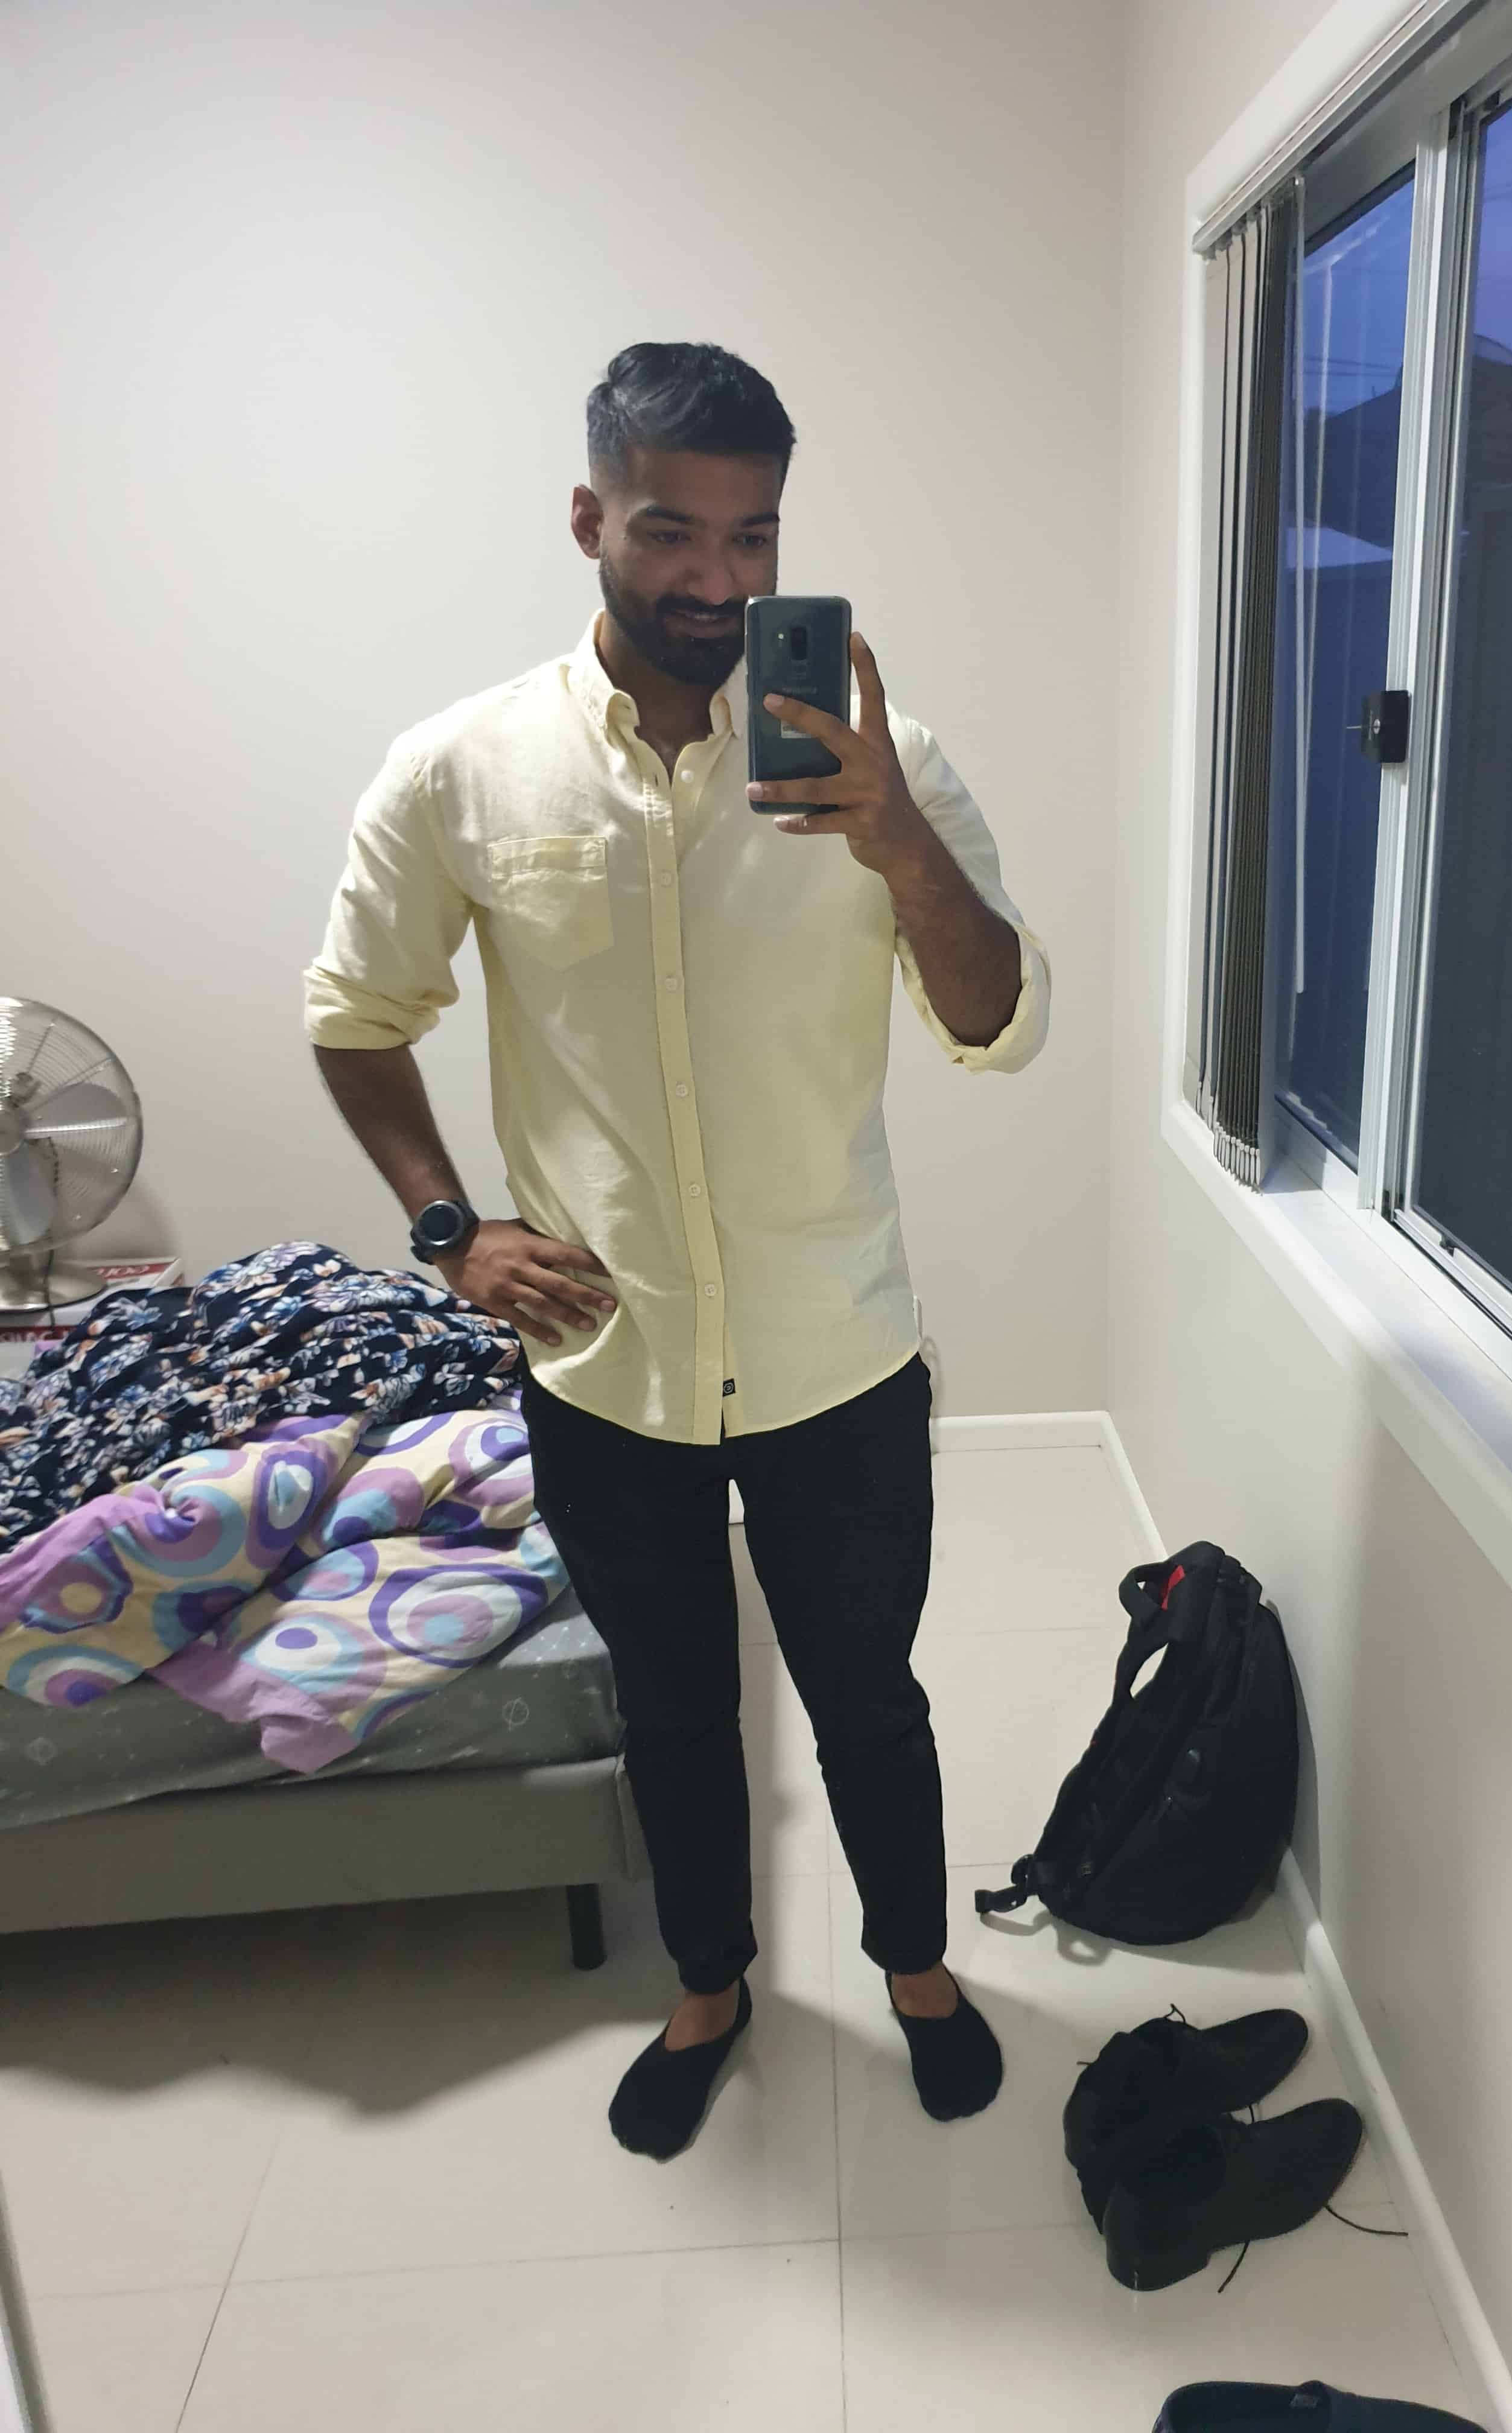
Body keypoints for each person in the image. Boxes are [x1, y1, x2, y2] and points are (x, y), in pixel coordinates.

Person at [305, 340, 1051, 2160]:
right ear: (591, 518)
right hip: (604, 1359)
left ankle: (917, 1970)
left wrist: (897, 845)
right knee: (673, 1708)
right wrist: (450, 1232)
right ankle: (709, 1985)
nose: (718, 577)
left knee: (867, 1700)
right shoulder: (461, 769)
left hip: (835, 1348)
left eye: (754, 535)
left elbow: (999, 1024)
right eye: (671, 531)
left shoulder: (884, 765)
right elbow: (355, 1016)